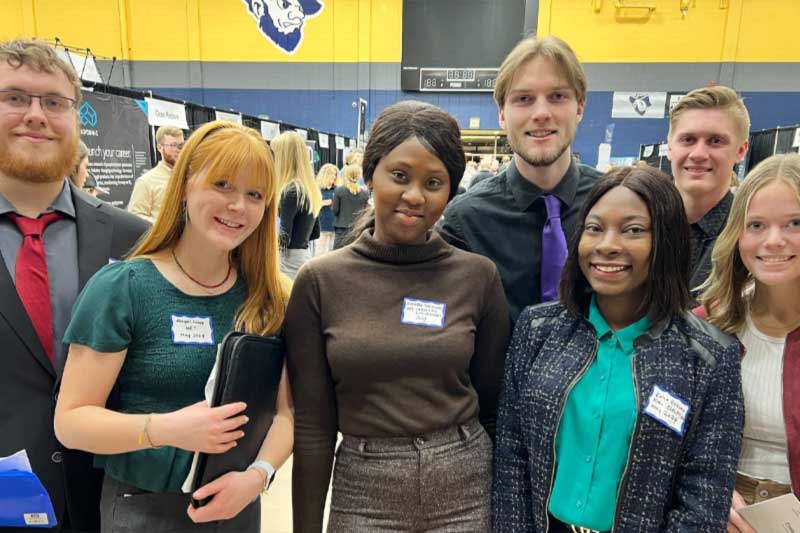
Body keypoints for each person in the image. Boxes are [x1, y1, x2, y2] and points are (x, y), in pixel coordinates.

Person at [53, 121, 294, 532]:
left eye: (254, 194)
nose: (238, 205)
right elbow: (71, 422)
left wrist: (258, 477)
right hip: (144, 509)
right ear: (184, 186)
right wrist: (167, 429)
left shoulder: (269, 298)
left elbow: (287, 413)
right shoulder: (123, 289)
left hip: (236, 505)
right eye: (222, 185)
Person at [286, 101, 510, 532]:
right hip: (364, 491)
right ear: (370, 175)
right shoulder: (320, 281)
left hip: (465, 486)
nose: (414, 196)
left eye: (434, 182)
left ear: (450, 191)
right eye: (400, 176)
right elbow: (314, 424)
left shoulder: (477, 277)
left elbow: (494, 408)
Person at [494, 165, 744, 532]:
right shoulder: (537, 330)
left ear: (667, 241)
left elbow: (703, 495)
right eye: (594, 228)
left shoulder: (707, 358)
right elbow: (512, 458)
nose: (608, 245)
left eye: (633, 230)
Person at [0, 38, 149, 533]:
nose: (35, 115)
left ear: (76, 117)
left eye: (54, 102)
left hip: (112, 499)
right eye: (15, 98)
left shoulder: (135, 239)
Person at [439, 35, 602, 323]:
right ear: (502, 114)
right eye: (524, 99)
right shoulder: (465, 221)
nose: (541, 113)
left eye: (557, 96)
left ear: (579, 107)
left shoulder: (615, 205)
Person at [697, 154, 800, 533]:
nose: (774, 240)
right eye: (756, 224)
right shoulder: (707, 325)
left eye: (795, 223)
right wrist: (711, 492)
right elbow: (666, 431)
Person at [667, 86, 750, 295]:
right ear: (669, 148)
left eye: (715, 141)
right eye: (688, 140)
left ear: (741, 150)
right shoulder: (638, 223)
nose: (698, 153)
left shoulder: (752, 238)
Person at [274, 130, 322, 279]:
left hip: (287, 260)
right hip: (304, 255)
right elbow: (316, 232)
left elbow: (283, 238)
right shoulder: (309, 188)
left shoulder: (291, 191)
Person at [128, 125, 185, 222]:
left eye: (181, 145)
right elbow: (135, 217)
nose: (178, 149)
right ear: (159, 147)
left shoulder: (190, 177)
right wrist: (163, 226)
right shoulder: (146, 182)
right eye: (173, 145)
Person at [331, 163, 369, 249]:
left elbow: (335, 210)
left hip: (341, 229)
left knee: (337, 256)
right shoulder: (365, 193)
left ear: (346, 175)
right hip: (357, 230)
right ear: (359, 176)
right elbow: (365, 212)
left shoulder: (339, 190)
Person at [313, 163, 337, 256]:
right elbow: (312, 205)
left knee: (332, 252)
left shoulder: (337, 189)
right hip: (321, 225)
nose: (334, 176)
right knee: (319, 252)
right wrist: (322, 203)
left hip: (334, 225)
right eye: (331, 173)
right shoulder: (317, 189)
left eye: (335, 174)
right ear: (325, 174)